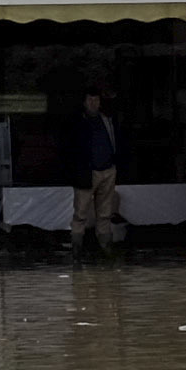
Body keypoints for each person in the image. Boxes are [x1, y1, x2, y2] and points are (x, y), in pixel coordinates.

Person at [75, 88, 124, 251]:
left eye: (96, 100)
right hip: (87, 171)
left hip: (108, 169)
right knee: (81, 212)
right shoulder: (79, 122)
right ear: (84, 102)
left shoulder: (107, 119)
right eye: (90, 100)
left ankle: (105, 245)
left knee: (105, 212)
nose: (93, 103)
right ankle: (77, 247)